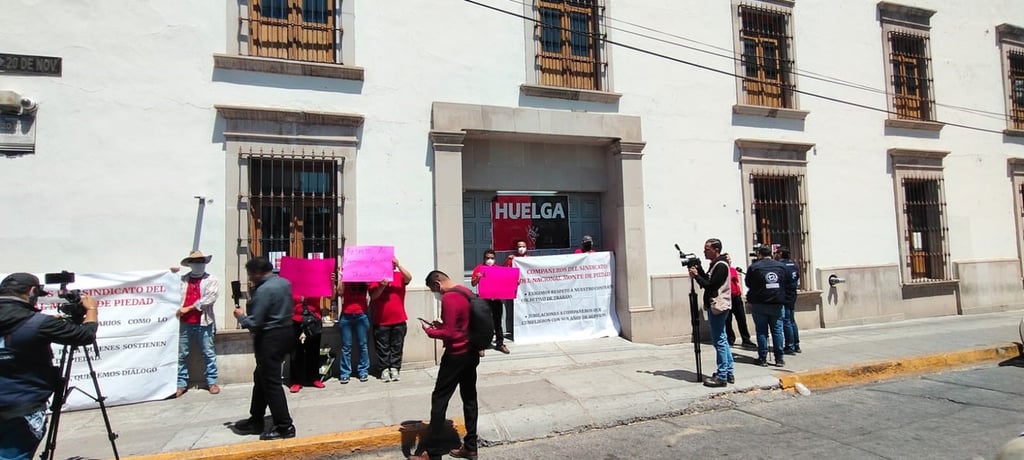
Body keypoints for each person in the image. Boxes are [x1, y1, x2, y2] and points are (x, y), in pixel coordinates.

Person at [0, 273, 99, 459]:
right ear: (32, 291)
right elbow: (85, 336)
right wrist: (92, 310)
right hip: (23, 407)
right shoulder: (39, 324)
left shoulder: (39, 323)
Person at [413, 270, 481, 460]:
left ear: (437, 283)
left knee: (439, 399)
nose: (437, 293)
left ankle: (431, 451)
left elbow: (450, 333)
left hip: (456, 355)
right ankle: (471, 447)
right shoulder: (466, 292)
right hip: (471, 353)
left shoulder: (450, 298)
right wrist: (441, 326)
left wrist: (430, 331)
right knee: (469, 399)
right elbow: (461, 325)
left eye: (434, 290)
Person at [232, 257, 296, 441]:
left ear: (257, 273)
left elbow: (255, 322)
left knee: (271, 382)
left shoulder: (264, 290)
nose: (250, 278)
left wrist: (241, 317)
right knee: (261, 377)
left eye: (250, 274)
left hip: (270, 338)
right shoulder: (284, 283)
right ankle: (256, 418)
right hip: (285, 332)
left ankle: (284, 426)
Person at [173, 250, 221, 398]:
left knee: (208, 352)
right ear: (190, 264)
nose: (199, 264)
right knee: (182, 354)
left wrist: (189, 308)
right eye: (195, 262)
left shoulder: (211, 280)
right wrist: (170, 274)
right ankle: (181, 383)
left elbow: (209, 298)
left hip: (204, 321)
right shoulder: (182, 280)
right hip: (184, 322)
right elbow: (168, 289)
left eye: (201, 261)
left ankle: (212, 381)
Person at [688, 238, 733, 388]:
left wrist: (696, 276)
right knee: (722, 339)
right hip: (717, 305)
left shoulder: (721, 266)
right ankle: (728, 372)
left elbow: (710, 285)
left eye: (707, 249)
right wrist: (699, 268)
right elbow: (708, 279)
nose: (704, 251)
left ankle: (722, 376)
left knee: (719, 341)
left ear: (716, 250)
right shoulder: (716, 264)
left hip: (718, 306)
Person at [370, 257, 412, 383]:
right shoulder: (375, 278)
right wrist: (382, 287)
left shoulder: (399, 276)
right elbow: (373, 296)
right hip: (381, 321)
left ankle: (395, 368)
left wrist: (399, 265)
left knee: (397, 346)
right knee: (382, 347)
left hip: (399, 319)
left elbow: (409, 278)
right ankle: (384, 369)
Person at [746, 245, 788, 367]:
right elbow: (786, 281)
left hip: (760, 303)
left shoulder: (754, 267)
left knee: (761, 332)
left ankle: (763, 358)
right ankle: (779, 359)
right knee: (777, 331)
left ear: (759, 254)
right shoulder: (781, 266)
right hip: (777, 302)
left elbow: (748, 283)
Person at [471, 249, 509, 354]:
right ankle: (481, 346)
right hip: (484, 300)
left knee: (497, 322)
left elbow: (506, 282)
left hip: (496, 299)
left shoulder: (498, 269)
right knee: (482, 323)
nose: (490, 260)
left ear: (495, 259)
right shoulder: (479, 268)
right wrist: (477, 278)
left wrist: (515, 282)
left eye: (492, 258)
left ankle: (500, 344)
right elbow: (473, 284)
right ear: (484, 258)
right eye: (487, 258)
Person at [337, 275, 370, 384]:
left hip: (361, 314)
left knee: (363, 345)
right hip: (346, 315)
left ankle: (363, 370)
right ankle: (345, 373)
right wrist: (342, 277)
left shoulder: (364, 275)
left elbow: (371, 287)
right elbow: (340, 292)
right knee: (346, 346)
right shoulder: (346, 275)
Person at [288, 295, 324, 393]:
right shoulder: (293, 287)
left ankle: (313, 378)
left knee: (313, 350)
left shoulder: (316, 286)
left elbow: (329, 296)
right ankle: (296, 381)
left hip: (313, 318)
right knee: (296, 351)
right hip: (296, 319)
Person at [724, 253, 756, 349]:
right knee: (728, 320)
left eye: (730, 259)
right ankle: (730, 338)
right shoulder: (722, 270)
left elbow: (735, 281)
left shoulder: (733, 269)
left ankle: (746, 339)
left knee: (741, 319)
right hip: (727, 298)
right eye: (727, 259)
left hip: (736, 297)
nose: (729, 261)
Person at [775, 246, 802, 355]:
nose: (775, 255)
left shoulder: (780, 266)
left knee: (786, 320)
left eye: (777, 253)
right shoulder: (794, 265)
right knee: (791, 320)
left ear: (781, 254)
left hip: (785, 294)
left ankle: (790, 346)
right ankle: (796, 344)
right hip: (792, 294)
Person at [502, 239, 529, 340]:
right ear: (516, 248)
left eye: (523, 246)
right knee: (514, 311)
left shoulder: (530, 259)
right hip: (514, 290)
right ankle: (515, 331)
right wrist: (509, 260)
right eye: (519, 246)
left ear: (526, 248)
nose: (521, 248)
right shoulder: (511, 260)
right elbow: (505, 271)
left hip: (526, 290)